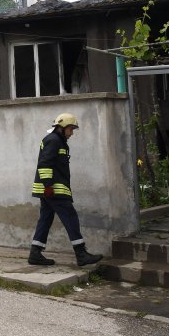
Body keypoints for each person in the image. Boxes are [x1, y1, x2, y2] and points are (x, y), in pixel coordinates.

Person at [28, 113, 102, 267]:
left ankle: (35, 253)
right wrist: (48, 185)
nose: (72, 133)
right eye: (71, 129)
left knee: (46, 218)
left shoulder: (57, 141)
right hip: (53, 189)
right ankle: (81, 254)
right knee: (70, 216)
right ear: (62, 128)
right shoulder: (54, 141)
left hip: (52, 189)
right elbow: (45, 164)